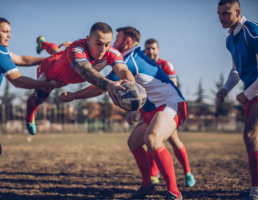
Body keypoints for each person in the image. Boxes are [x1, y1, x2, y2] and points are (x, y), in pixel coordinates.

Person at [59, 26, 187, 200]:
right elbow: (99, 61)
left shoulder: (130, 59)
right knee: (134, 142)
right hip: (154, 109)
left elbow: (101, 87)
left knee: (152, 139)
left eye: (116, 40)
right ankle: (147, 185)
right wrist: (78, 47)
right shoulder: (127, 57)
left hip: (171, 104)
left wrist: (74, 96)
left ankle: (174, 193)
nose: (113, 44)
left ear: (126, 42)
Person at [0, 16, 65, 200]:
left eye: (10, 31)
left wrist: (50, 59)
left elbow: (22, 59)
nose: (10, 35)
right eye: (5, 31)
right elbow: (17, 81)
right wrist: (50, 84)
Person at [25, 22, 135, 135]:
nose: (103, 49)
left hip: (65, 68)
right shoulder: (76, 49)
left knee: (57, 51)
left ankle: (43, 43)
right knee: (38, 98)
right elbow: (85, 71)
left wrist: (133, 86)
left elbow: (122, 70)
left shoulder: (112, 52)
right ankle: (29, 116)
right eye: (98, 44)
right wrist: (109, 84)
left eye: (107, 44)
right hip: (49, 73)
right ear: (88, 40)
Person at [216, 0, 258, 199]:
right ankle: (255, 189)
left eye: (226, 13)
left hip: (255, 93)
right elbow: (236, 70)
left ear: (238, 12)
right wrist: (225, 89)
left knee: (251, 136)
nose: (222, 18)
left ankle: (255, 192)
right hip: (252, 94)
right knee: (251, 140)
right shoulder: (229, 39)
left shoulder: (252, 31)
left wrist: (248, 93)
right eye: (219, 14)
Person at [140, 38, 195, 187]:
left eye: (153, 48)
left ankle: (187, 172)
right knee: (150, 139)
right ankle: (154, 173)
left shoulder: (166, 65)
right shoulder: (141, 65)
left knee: (172, 140)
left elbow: (173, 88)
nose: (150, 51)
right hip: (148, 108)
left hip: (165, 108)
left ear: (158, 50)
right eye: (147, 48)